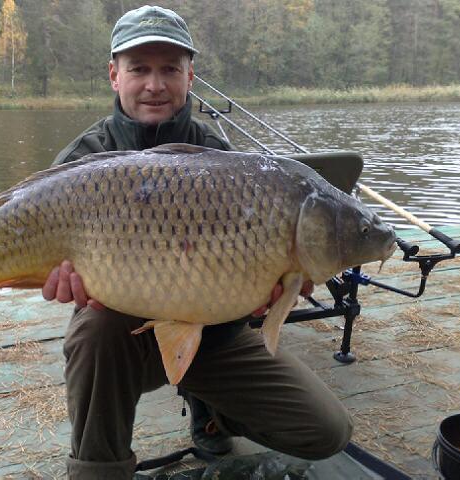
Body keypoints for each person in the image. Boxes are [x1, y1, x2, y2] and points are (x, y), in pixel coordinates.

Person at [43, 6, 353, 480]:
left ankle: (212, 409)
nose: (155, 84)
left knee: (327, 432)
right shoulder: (85, 159)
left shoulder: (222, 156)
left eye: (170, 69)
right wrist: (61, 280)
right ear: (114, 75)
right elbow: (61, 272)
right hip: (122, 336)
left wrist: (262, 299)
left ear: (191, 75)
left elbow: (257, 293)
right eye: (139, 69)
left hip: (216, 334)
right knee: (92, 332)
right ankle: (96, 470)